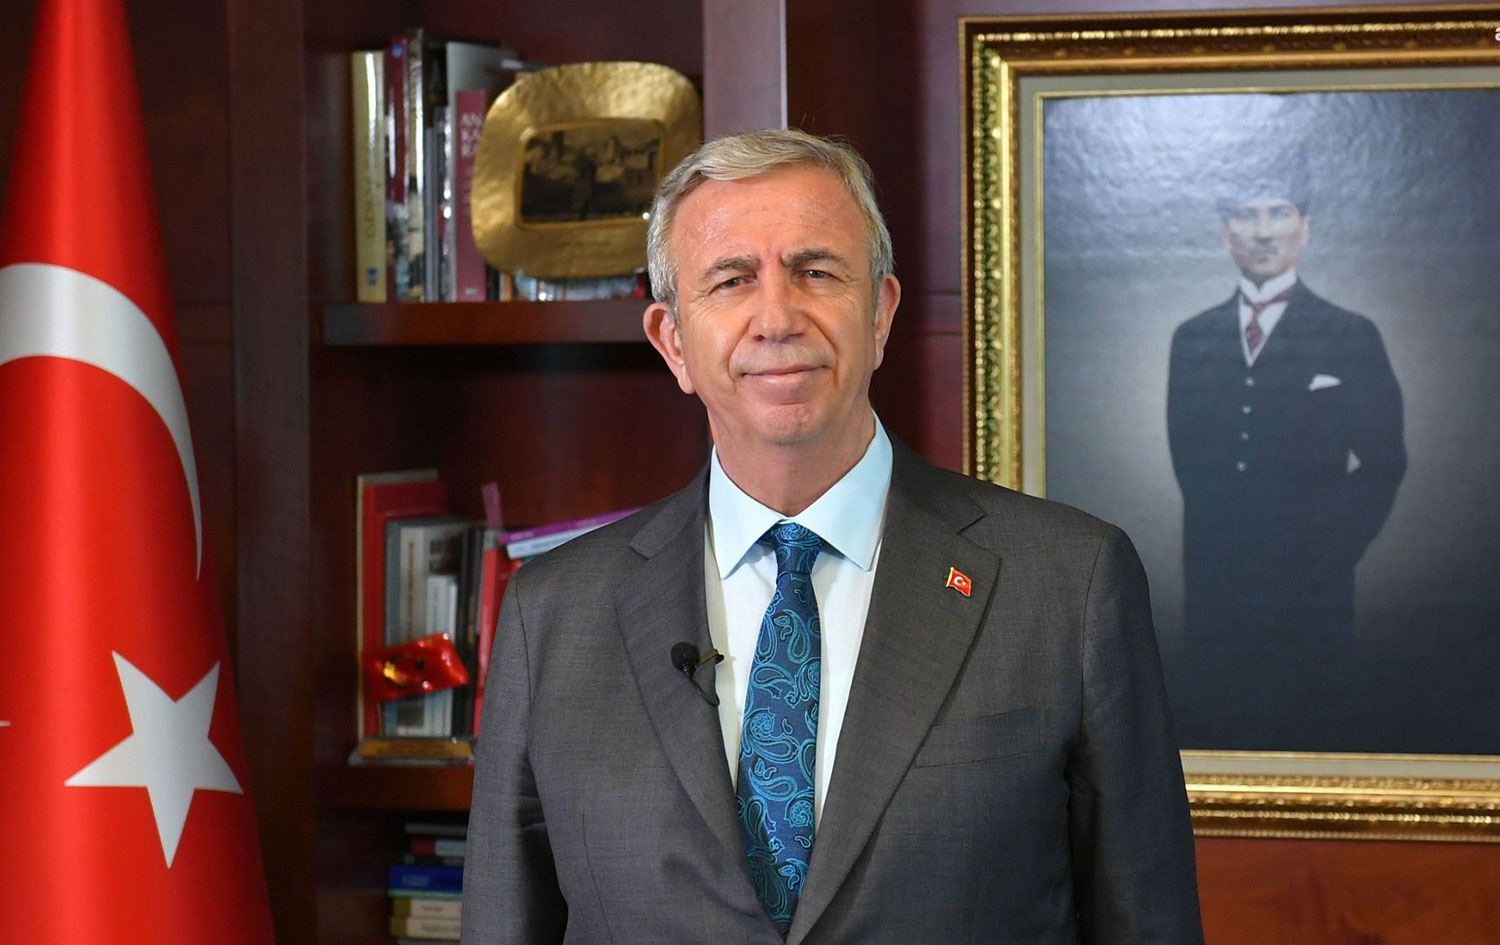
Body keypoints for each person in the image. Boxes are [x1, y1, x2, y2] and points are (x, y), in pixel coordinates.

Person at [463, 129, 1202, 944]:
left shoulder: (1068, 584)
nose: (777, 317)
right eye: (731, 280)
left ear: (880, 312)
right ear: (673, 341)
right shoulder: (551, 615)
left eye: (816, 271)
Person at [1166, 180, 1406, 746]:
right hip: (1216, 584)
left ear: (1305, 228)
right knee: (1217, 724)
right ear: (1226, 233)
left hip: (1313, 584)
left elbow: (1385, 460)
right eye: (1246, 216)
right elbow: (1188, 457)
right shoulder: (1192, 337)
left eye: (1279, 213)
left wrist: (1332, 545)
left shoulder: (1350, 334)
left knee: (1312, 724)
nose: (1263, 231)